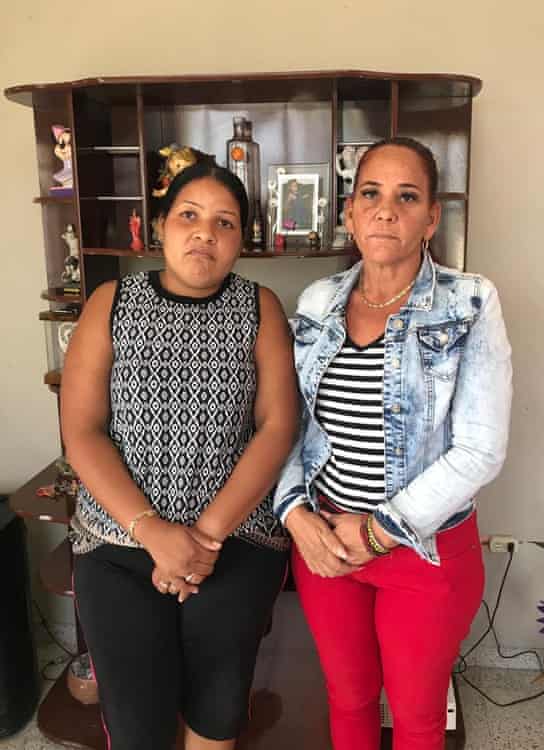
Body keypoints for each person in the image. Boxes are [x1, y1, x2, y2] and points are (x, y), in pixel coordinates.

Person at [274, 136, 512, 750]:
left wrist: (378, 531)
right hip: (326, 549)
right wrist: (296, 514)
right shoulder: (318, 302)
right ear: (350, 211)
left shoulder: (469, 302)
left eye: (407, 197)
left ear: (432, 217)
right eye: (371, 194)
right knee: (347, 702)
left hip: (423, 553)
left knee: (415, 717)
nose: (386, 211)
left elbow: (480, 449)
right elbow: (288, 426)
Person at [61, 161, 298, 750]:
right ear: (161, 225)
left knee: (218, 706)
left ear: (241, 240)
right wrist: (153, 533)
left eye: (225, 223)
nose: (205, 234)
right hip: (117, 543)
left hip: (236, 541)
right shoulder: (110, 303)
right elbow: (82, 431)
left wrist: (204, 539)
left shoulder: (260, 307)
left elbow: (276, 426)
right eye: (189, 216)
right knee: (136, 718)